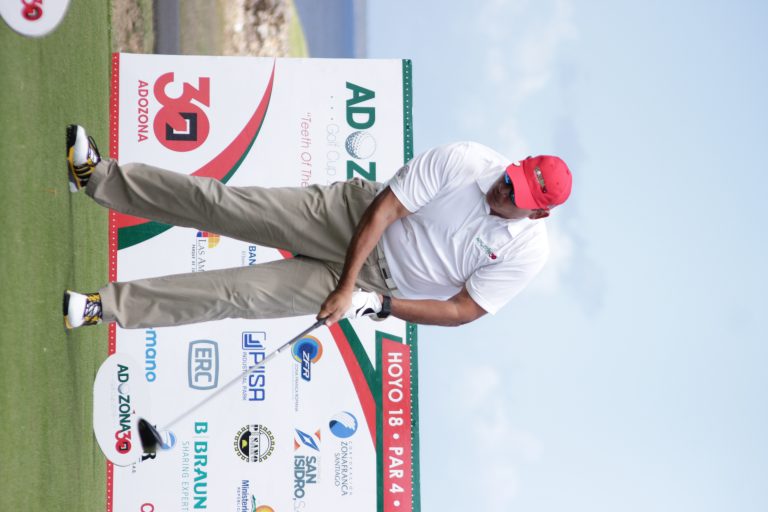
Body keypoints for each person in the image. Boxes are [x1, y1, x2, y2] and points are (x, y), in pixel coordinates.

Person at [63, 124, 572, 330]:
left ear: (538, 213)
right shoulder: (467, 160)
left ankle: (101, 308)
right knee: (225, 206)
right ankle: (96, 177)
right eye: (510, 180)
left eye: (518, 198)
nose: (504, 191)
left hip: (375, 284)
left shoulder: (527, 253)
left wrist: (380, 304)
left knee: (236, 295)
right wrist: (347, 285)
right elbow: (385, 211)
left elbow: (463, 310)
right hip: (350, 217)